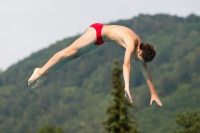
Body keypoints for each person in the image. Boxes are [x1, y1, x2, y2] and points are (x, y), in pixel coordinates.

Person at [28, 23, 162, 106]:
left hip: (101, 40)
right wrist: (126, 85)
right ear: (139, 51)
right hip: (97, 31)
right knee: (69, 51)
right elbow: (126, 64)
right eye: (137, 58)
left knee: (74, 56)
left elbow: (146, 72)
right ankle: (40, 71)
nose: (137, 60)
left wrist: (153, 93)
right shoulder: (132, 44)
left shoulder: (142, 51)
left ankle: (47, 73)